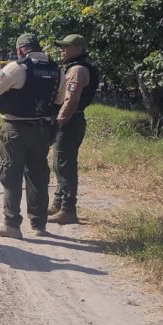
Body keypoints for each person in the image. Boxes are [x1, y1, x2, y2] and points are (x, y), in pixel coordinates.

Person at [0, 33, 63, 238]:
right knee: (38, 176)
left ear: (20, 49)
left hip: (15, 129)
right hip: (43, 128)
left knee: (11, 174)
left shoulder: (17, 67)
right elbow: (60, 98)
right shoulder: (56, 70)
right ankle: (39, 225)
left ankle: (12, 224)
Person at [48, 35, 99, 225]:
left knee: (64, 165)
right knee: (60, 162)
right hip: (71, 120)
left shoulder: (77, 69)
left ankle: (68, 210)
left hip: (70, 121)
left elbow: (71, 100)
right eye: (61, 47)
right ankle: (58, 204)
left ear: (78, 49)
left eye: (66, 47)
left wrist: (60, 121)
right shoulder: (76, 66)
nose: (62, 50)